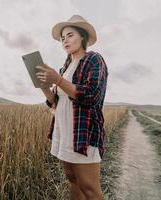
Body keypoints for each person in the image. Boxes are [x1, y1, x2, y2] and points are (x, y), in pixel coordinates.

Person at [36, 15, 108, 200]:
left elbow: (91, 95)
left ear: (82, 37)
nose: (64, 40)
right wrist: (44, 85)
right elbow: (56, 102)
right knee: (73, 180)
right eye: (62, 38)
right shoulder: (66, 67)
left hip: (83, 133)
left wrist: (58, 80)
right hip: (64, 130)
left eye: (69, 35)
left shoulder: (93, 59)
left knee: (90, 188)